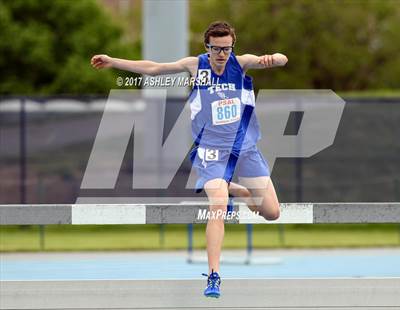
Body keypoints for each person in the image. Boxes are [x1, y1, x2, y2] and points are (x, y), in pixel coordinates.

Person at [91, 21, 287, 298]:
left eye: (226, 49)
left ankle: (238, 190)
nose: (221, 54)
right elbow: (154, 68)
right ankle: (214, 276)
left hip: (245, 149)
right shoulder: (196, 66)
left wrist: (275, 59)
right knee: (217, 206)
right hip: (211, 152)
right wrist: (113, 61)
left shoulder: (240, 64)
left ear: (233, 46)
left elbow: (278, 59)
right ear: (207, 47)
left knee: (271, 212)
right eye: (216, 49)